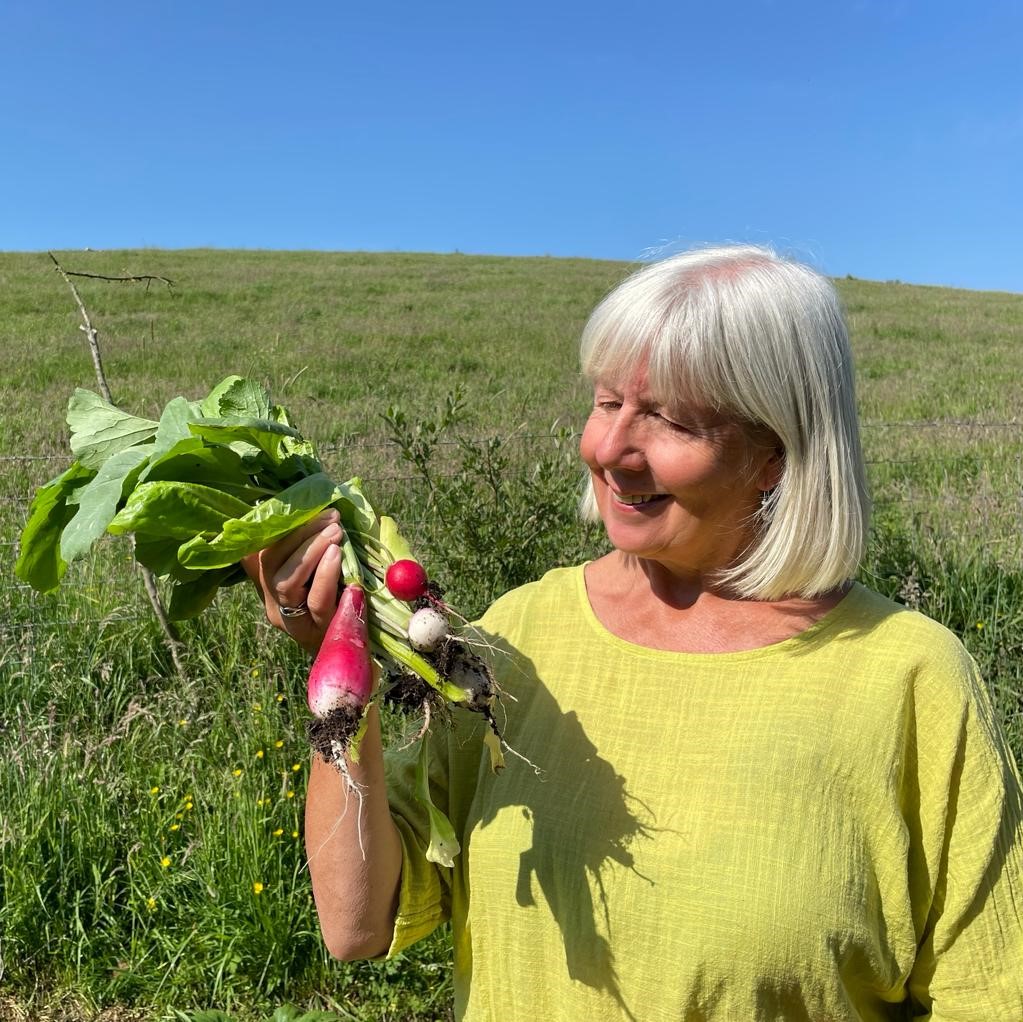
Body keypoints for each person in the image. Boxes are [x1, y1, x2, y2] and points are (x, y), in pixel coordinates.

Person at [245, 245, 1023, 1021]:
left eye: (667, 418)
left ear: (772, 455)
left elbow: (987, 993)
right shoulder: (517, 639)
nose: (610, 449)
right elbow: (358, 923)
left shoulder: (907, 678)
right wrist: (338, 666)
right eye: (606, 401)